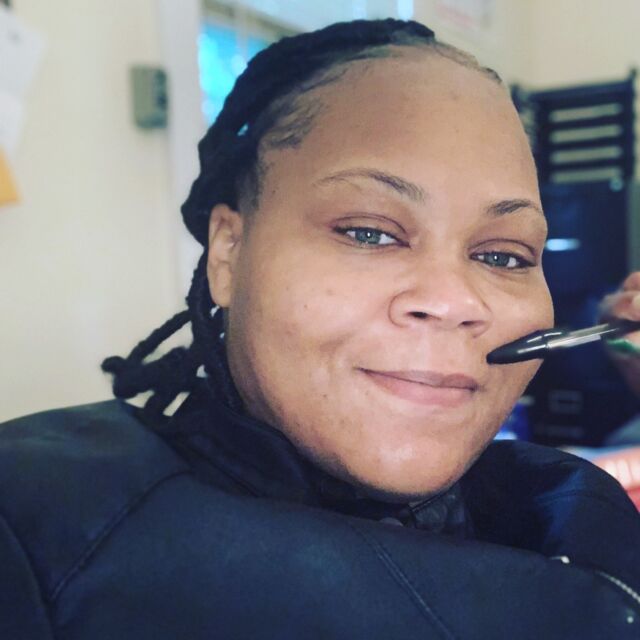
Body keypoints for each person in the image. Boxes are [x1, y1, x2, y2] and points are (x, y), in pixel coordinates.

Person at [1, 18, 640, 639]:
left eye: (502, 256)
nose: (454, 301)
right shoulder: (37, 528)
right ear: (228, 251)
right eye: (369, 233)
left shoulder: (570, 513)